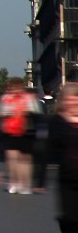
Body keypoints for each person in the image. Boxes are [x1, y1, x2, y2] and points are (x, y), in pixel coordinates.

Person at [45, 82, 78, 233]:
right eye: (69, 99)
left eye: (76, 99)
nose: (73, 102)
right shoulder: (57, 121)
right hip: (68, 178)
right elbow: (49, 148)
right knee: (69, 219)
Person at [0, 78, 39, 194]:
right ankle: (23, 184)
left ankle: (16, 183)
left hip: (13, 131)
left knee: (14, 159)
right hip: (23, 130)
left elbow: (1, 114)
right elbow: (35, 112)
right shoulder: (28, 98)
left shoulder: (6, 99)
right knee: (23, 160)